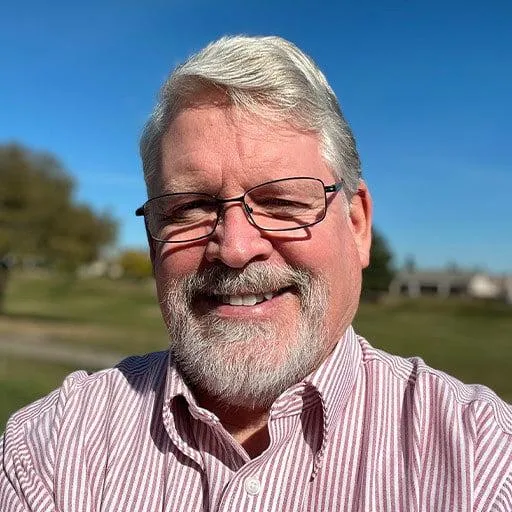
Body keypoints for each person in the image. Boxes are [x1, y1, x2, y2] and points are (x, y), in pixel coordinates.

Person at [1, 35, 511, 512]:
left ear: (356, 225)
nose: (236, 248)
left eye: (281, 202)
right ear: (154, 243)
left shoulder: (480, 459)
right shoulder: (51, 449)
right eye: (191, 208)